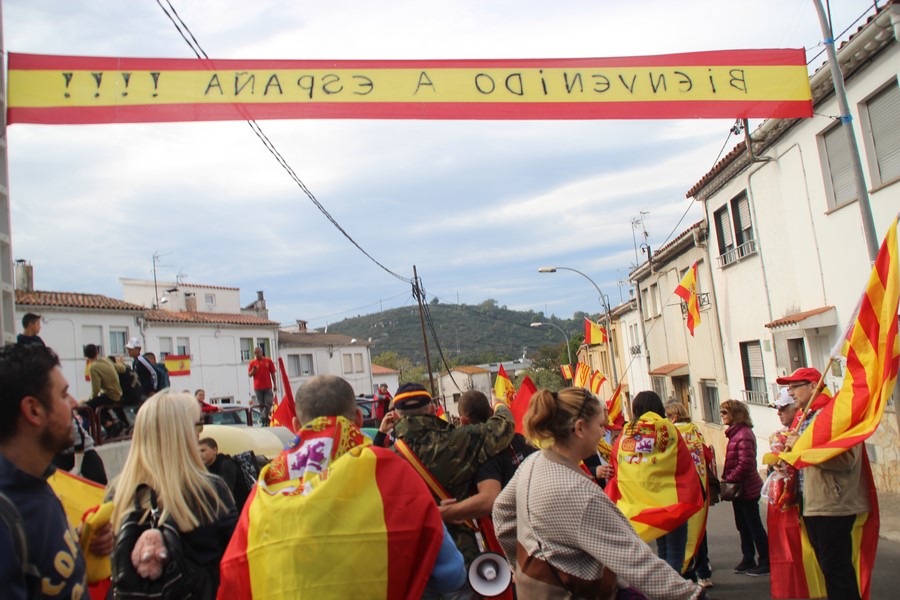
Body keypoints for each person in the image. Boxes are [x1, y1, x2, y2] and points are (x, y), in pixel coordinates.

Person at [218, 375, 466, 598]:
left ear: (295, 425)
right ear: (359, 418)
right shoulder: (389, 470)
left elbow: (235, 577)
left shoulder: (264, 489)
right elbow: (451, 574)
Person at [492, 387, 705, 599]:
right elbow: (637, 562)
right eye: (601, 425)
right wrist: (692, 595)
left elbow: (501, 511)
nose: (604, 432)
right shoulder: (579, 494)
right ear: (580, 428)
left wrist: (522, 565)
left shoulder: (532, 463)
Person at [0, 343, 113, 598]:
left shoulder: (38, 482)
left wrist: (79, 548)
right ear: (33, 410)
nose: (74, 403)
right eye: (63, 395)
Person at [110, 391, 238, 598]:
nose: (200, 433)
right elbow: (236, 562)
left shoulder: (118, 494)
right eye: (197, 424)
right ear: (184, 434)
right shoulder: (209, 492)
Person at [388, 382, 515, 572]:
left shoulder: (387, 459)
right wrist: (498, 404)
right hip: (461, 554)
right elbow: (505, 424)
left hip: (415, 560)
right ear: (432, 409)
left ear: (396, 415)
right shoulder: (460, 439)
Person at [776, 367, 871, 600]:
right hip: (812, 502)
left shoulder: (835, 416)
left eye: (796, 386)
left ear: (813, 386)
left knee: (837, 571)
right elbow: (805, 460)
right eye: (789, 387)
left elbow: (847, 459)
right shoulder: (805, 417)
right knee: (827, 569)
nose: (791, 392)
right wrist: (788, 462)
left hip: (832, 504)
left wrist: (803, 449)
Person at [439, 390, 536, 527]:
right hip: (539, 516)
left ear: (463, 421)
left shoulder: (482, 455)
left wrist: (445, 512)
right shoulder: (519, 439)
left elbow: (489, 499)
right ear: (491, 412)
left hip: (514, 531)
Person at [719, 399, 769, 576]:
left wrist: (729, 480)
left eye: (725, 412)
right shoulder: (735, 433)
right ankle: (748, 558)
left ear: (735, 413)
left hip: (746, 488)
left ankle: (765, 560)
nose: (722, 416)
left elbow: (746, 463)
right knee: (743, 526)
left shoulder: (743, 434)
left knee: (753, 525)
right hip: (739, 490)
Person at [666, 401, 713, 588]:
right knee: (700, 531)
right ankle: (705, 572)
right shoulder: (695, 431)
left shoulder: (672, 433)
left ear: (674, 417)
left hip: (683, 489)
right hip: (701, 487)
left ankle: (690, 573)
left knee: (687, 534)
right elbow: (707, 456)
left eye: (667, 416)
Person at [83, 343, 129, 437]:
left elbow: (95, 389)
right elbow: (122, 369)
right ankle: (112, 427)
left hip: (109, 395)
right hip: (118, 393)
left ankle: (111, 424)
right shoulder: (106, 360)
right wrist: (121, 362)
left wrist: (90, 400)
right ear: (97, 352)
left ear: (86, 356)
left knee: (83, 409)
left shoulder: (93, 367)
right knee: (100, 409)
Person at [53, 413, 108, 485]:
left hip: (84, 450)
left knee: (99, 480)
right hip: (57, 453)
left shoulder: (63, 413)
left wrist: (77, 467)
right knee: (58, 483)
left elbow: (78, 440)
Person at [198, 437, 246, 512]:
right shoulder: (205, 467)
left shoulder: (226, 465)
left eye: (203, 451)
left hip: (238, 511)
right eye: (197, 452)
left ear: (214, 450)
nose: (199, 455)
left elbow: (226, 493)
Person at [247, 347, 276, 426]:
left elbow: (273, 373)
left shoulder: (268, 361)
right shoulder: (252, 363)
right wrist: (253, 370)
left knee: (269, 402)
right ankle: (265, 421)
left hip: (268, 386)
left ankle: (263, 417)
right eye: (255, 353)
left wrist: (275, 384)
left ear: (261, 352)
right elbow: (249, 375)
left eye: (258, 353)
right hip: (258, 388)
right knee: (261, 404)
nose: (257, 355)